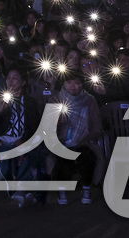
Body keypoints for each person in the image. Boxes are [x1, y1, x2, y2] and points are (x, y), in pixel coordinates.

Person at [0, 66, 45, 206]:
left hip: (23, 138)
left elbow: (34, 125)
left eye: (15, 77)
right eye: (9, 78)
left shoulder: (29, 101)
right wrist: (0, 111)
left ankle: (21, 190)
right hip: (4, 139)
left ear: (23, 82)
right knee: (7, 154)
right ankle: (20, 190)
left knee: (28, 152)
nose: (11, 81)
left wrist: (23, 139)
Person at [50, 71, 101, 205]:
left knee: (87, 156)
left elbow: (96, 125)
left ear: (82, 84)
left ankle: (86, 188)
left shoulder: (89, 100)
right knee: (61, 157)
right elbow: (47, 126)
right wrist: (57, 123)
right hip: (61, 141)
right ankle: (61, 190)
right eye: (69, 82)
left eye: (77, 82)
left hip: (84, 141)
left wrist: (87, 139)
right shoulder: (56, 99)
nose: (73, 86)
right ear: (63, 84)